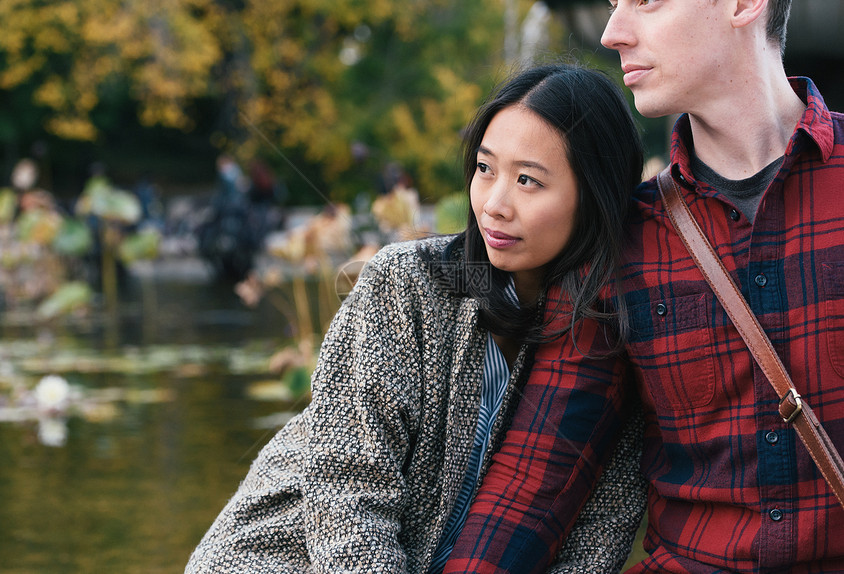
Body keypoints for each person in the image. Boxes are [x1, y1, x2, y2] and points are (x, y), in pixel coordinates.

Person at [185, 63, 647, 573]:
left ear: (596, 194)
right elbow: (348, 490)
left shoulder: (616, 337)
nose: (494, 204)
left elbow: (600, 532)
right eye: (485, 168)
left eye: (528, 181)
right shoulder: (406, 283)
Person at [443, 0, 844, 572]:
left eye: (646, 2)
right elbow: (534, 482)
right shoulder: (621, 240)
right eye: (611, 6)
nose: (612, 33)